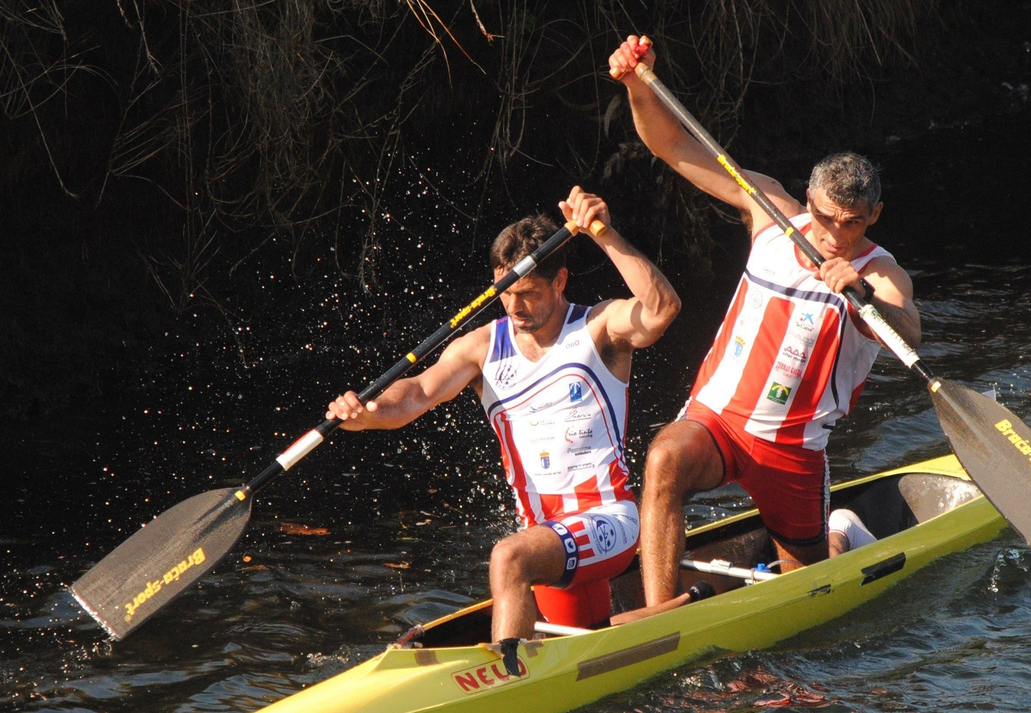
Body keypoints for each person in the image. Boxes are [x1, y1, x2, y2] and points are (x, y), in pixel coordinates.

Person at [607, 35, 921, 616]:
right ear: (808, 199)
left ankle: (841, 533)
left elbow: (909, 332)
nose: (833, 233)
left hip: (793, 449)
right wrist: (635, 85)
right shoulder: (770, 211)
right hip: (719, 420)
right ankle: (660, 617)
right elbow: (673, 145)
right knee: (664, 457)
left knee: (810, 596)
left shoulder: (880, 271)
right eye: (825, 216)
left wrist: (859, 294)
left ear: (873, 215)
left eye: (851, 223)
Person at [326, 186, 680, 647]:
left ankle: (504, 676)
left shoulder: (598, 329)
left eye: (528, 293)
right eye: (505, 292)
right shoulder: (482, 348)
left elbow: (662, 309)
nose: (514, 307)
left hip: (610, 520)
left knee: (508, 557)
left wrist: (604, 233)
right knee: (574, 632)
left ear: (559, 281)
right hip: (548, 540)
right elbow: (416, 393)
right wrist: (366, 414)